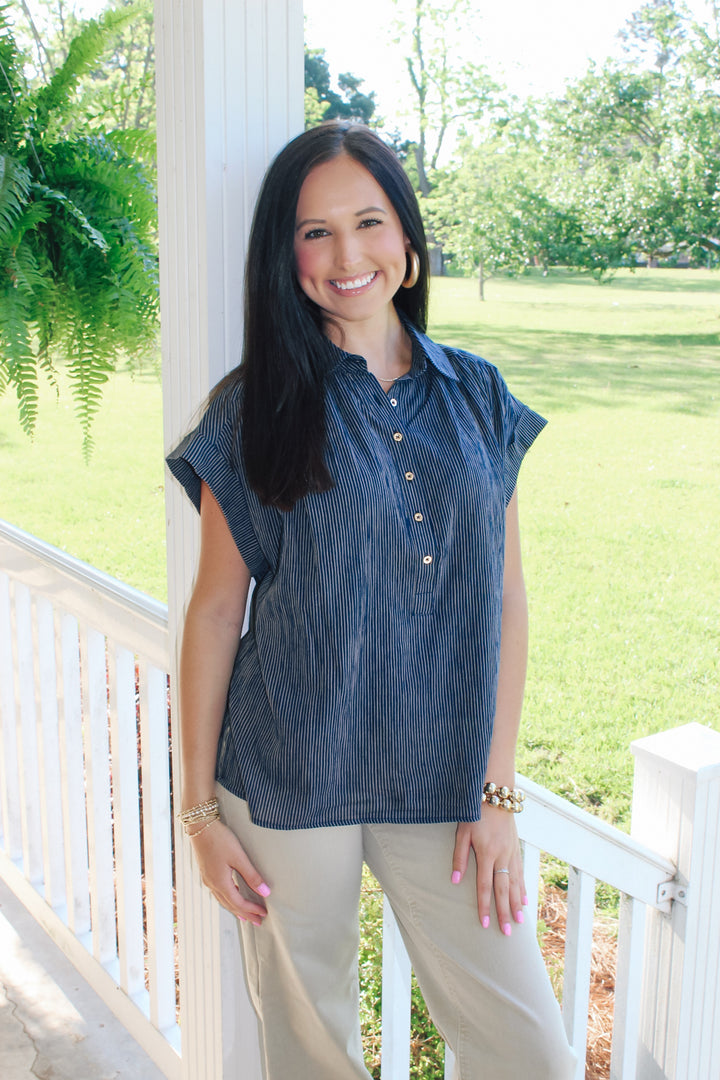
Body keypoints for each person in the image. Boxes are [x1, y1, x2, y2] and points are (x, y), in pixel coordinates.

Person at [167, 121, 576, 1080]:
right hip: (287, 778)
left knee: (531, 1055)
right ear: (286, 255)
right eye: (314, 232)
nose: (345, 255)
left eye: (368, 221)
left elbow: (507, 596)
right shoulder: (252, 409)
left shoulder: (477, 396)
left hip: (445, 776)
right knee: (310, 1053)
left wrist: (497, 789)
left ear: (408, 240)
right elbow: (216, 613)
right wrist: (199, 813)